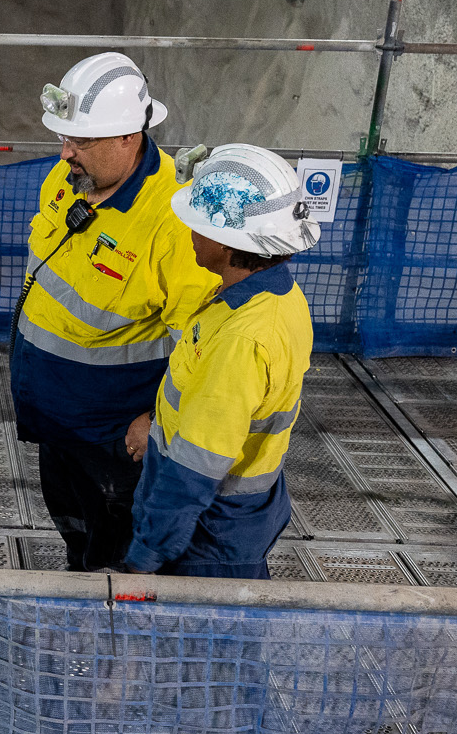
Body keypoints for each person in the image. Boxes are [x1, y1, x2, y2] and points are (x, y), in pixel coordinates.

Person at [10, 53, 213, 571]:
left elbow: (207, 346)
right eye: (63, 138)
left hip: (113, 437)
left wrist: (157, 420)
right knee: (75, 530)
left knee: (113, 556)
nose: (65, 152)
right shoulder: (65, 180)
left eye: (80, 142)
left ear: (128, 137)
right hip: (55, 420)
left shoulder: (173, 222)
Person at [116, 144, 318, 579]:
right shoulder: (278, 299)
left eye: (198, 224)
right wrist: (156, 423)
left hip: (207, 541)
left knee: (203, 644)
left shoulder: (244, 338)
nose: (188, 231)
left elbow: (195, 470)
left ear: (229, 242)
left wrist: (144, 558)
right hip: (235, 523)